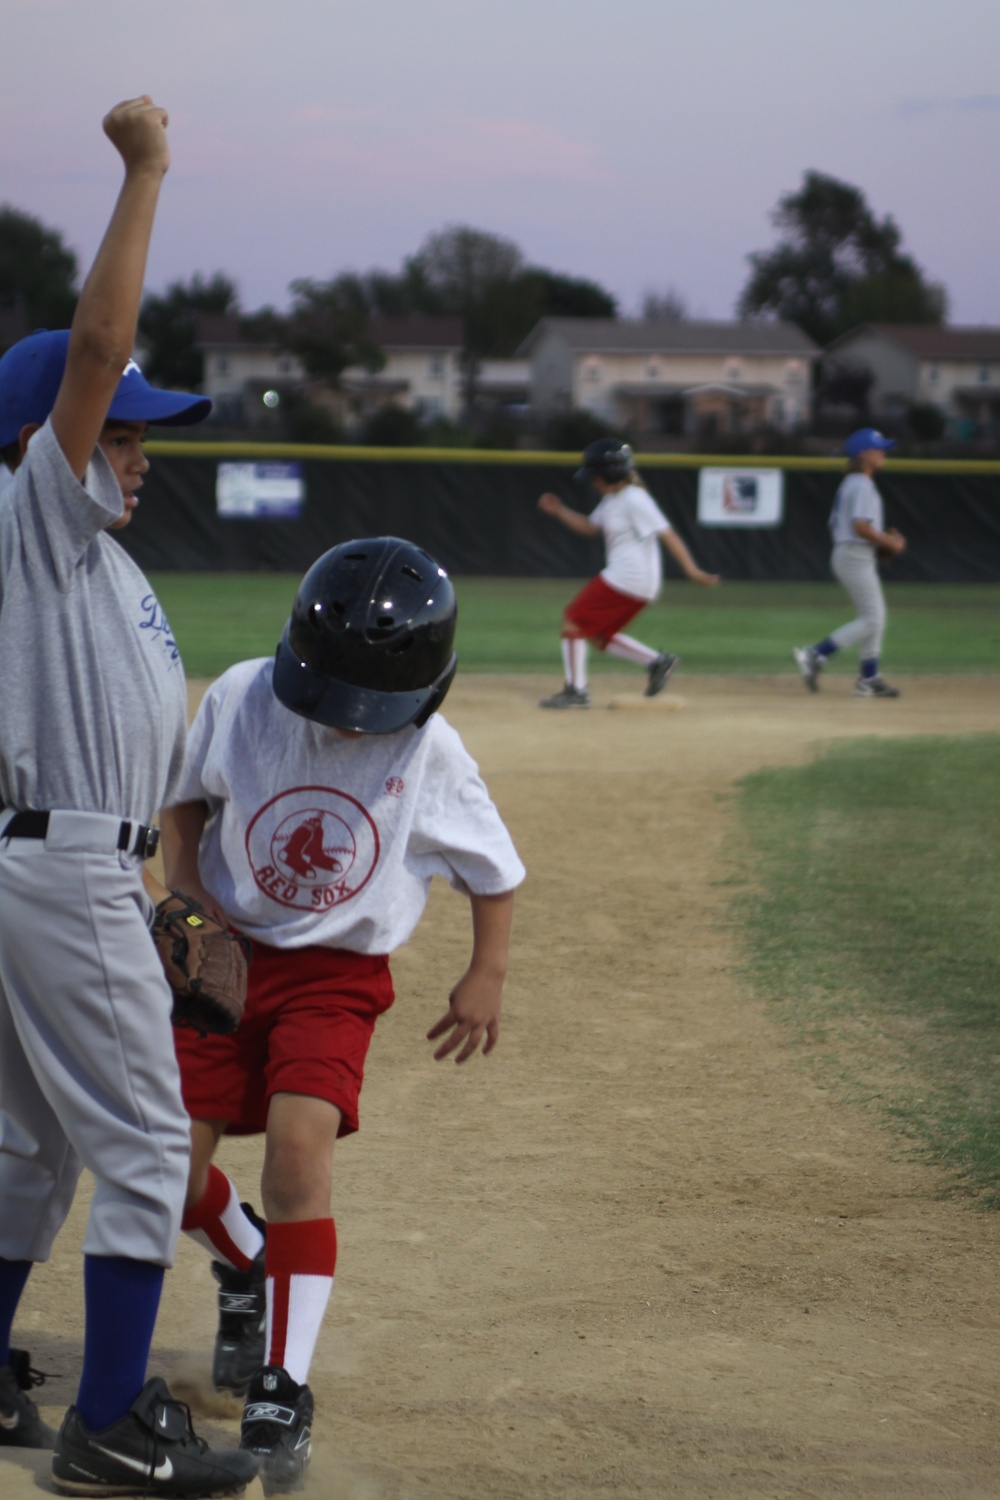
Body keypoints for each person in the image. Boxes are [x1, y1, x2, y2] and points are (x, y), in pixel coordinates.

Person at [0, 99, 257, 1497]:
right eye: (122, 426)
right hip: (54, 870)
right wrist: (147, 167)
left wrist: (159, 885)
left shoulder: (97, 566)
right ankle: (110, 1422)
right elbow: (93, 348)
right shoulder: (34, 513)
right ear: (53, 436)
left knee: (28, 1143)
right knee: (150, 1145)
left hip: (60, 869)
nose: (141, 445)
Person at [160, 536, 525, 1494]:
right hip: (227, 957)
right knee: (168, 1169)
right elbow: (184, 805)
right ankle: (245, 1263)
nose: (354, 728)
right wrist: (189, 896)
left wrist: (486, 971)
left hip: (337, 976)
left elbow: (495, 873)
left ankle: (285, 1385)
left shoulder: (432, 752)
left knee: (295, 1156)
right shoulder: (242, 697)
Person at [536, 439, 719, 708]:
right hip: (632, 579)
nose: (593, 482)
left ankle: (577, 692)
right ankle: (657, 662)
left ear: (610, 474)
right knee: (598, 634)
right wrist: (560, 511)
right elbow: (589, 527)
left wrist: (692, 571)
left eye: (595, 476)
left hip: (629, 577)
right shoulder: (613, 499)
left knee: (573, 620)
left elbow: (667, 534)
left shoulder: (635, 499)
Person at [794, 428, 906, 698]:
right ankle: (816, 654)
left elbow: (860, 528)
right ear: (863, 454)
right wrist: (890, 543)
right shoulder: (861, 484)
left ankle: (869, 678)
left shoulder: (854, 483)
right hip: (854, 555)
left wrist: (880, 544)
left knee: (875, 618)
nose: (883, 452)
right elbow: (860, 527)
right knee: (873, 618)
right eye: (878, 448)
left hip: (855, 555)